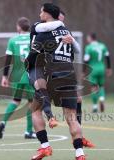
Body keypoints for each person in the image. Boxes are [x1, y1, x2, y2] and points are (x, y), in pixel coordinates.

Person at [27, 3, 86, 160]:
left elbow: (33, 54)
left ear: (47, 14)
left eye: (41, 12)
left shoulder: (44, 34)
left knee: (35, 109)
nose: (40, 14)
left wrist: (28, 66)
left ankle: (45, 146)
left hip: (52, 76)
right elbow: (75, 52)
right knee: (71, 117)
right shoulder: (67, 32)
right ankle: (80, 154)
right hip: (69, 74)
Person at [34, 10, 95, 148]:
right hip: (61, 74)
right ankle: (54, 121)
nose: (61, 21)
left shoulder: (64, 32)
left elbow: (77, 50)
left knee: (38, 105)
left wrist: (72, 41)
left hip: (60, 73)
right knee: (40, 103)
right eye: (60, 18)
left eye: (62, 19)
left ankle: (50, 142)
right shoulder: (43, 30)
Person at [0, 17, 36, 139]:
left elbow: (8, 60)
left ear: (19, 27)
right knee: (32, 103)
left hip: (17, 76)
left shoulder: (12, 40)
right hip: (30, 75)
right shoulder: (33, 39)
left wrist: (4, 76)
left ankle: (3, 122)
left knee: (15, 100)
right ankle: (29, 131)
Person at [84, 33, 112, 113]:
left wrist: (83, 71)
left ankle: (95, 107)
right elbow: (107, 57)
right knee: (101, 86)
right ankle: (102, 98)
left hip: (93, 69)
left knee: (94, 88)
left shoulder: (88, 47)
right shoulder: (103, 46)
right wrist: (109, 68)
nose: (87, 39)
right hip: (102, 68)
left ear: (90, 38)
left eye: (88, 38)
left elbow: (86, 60)